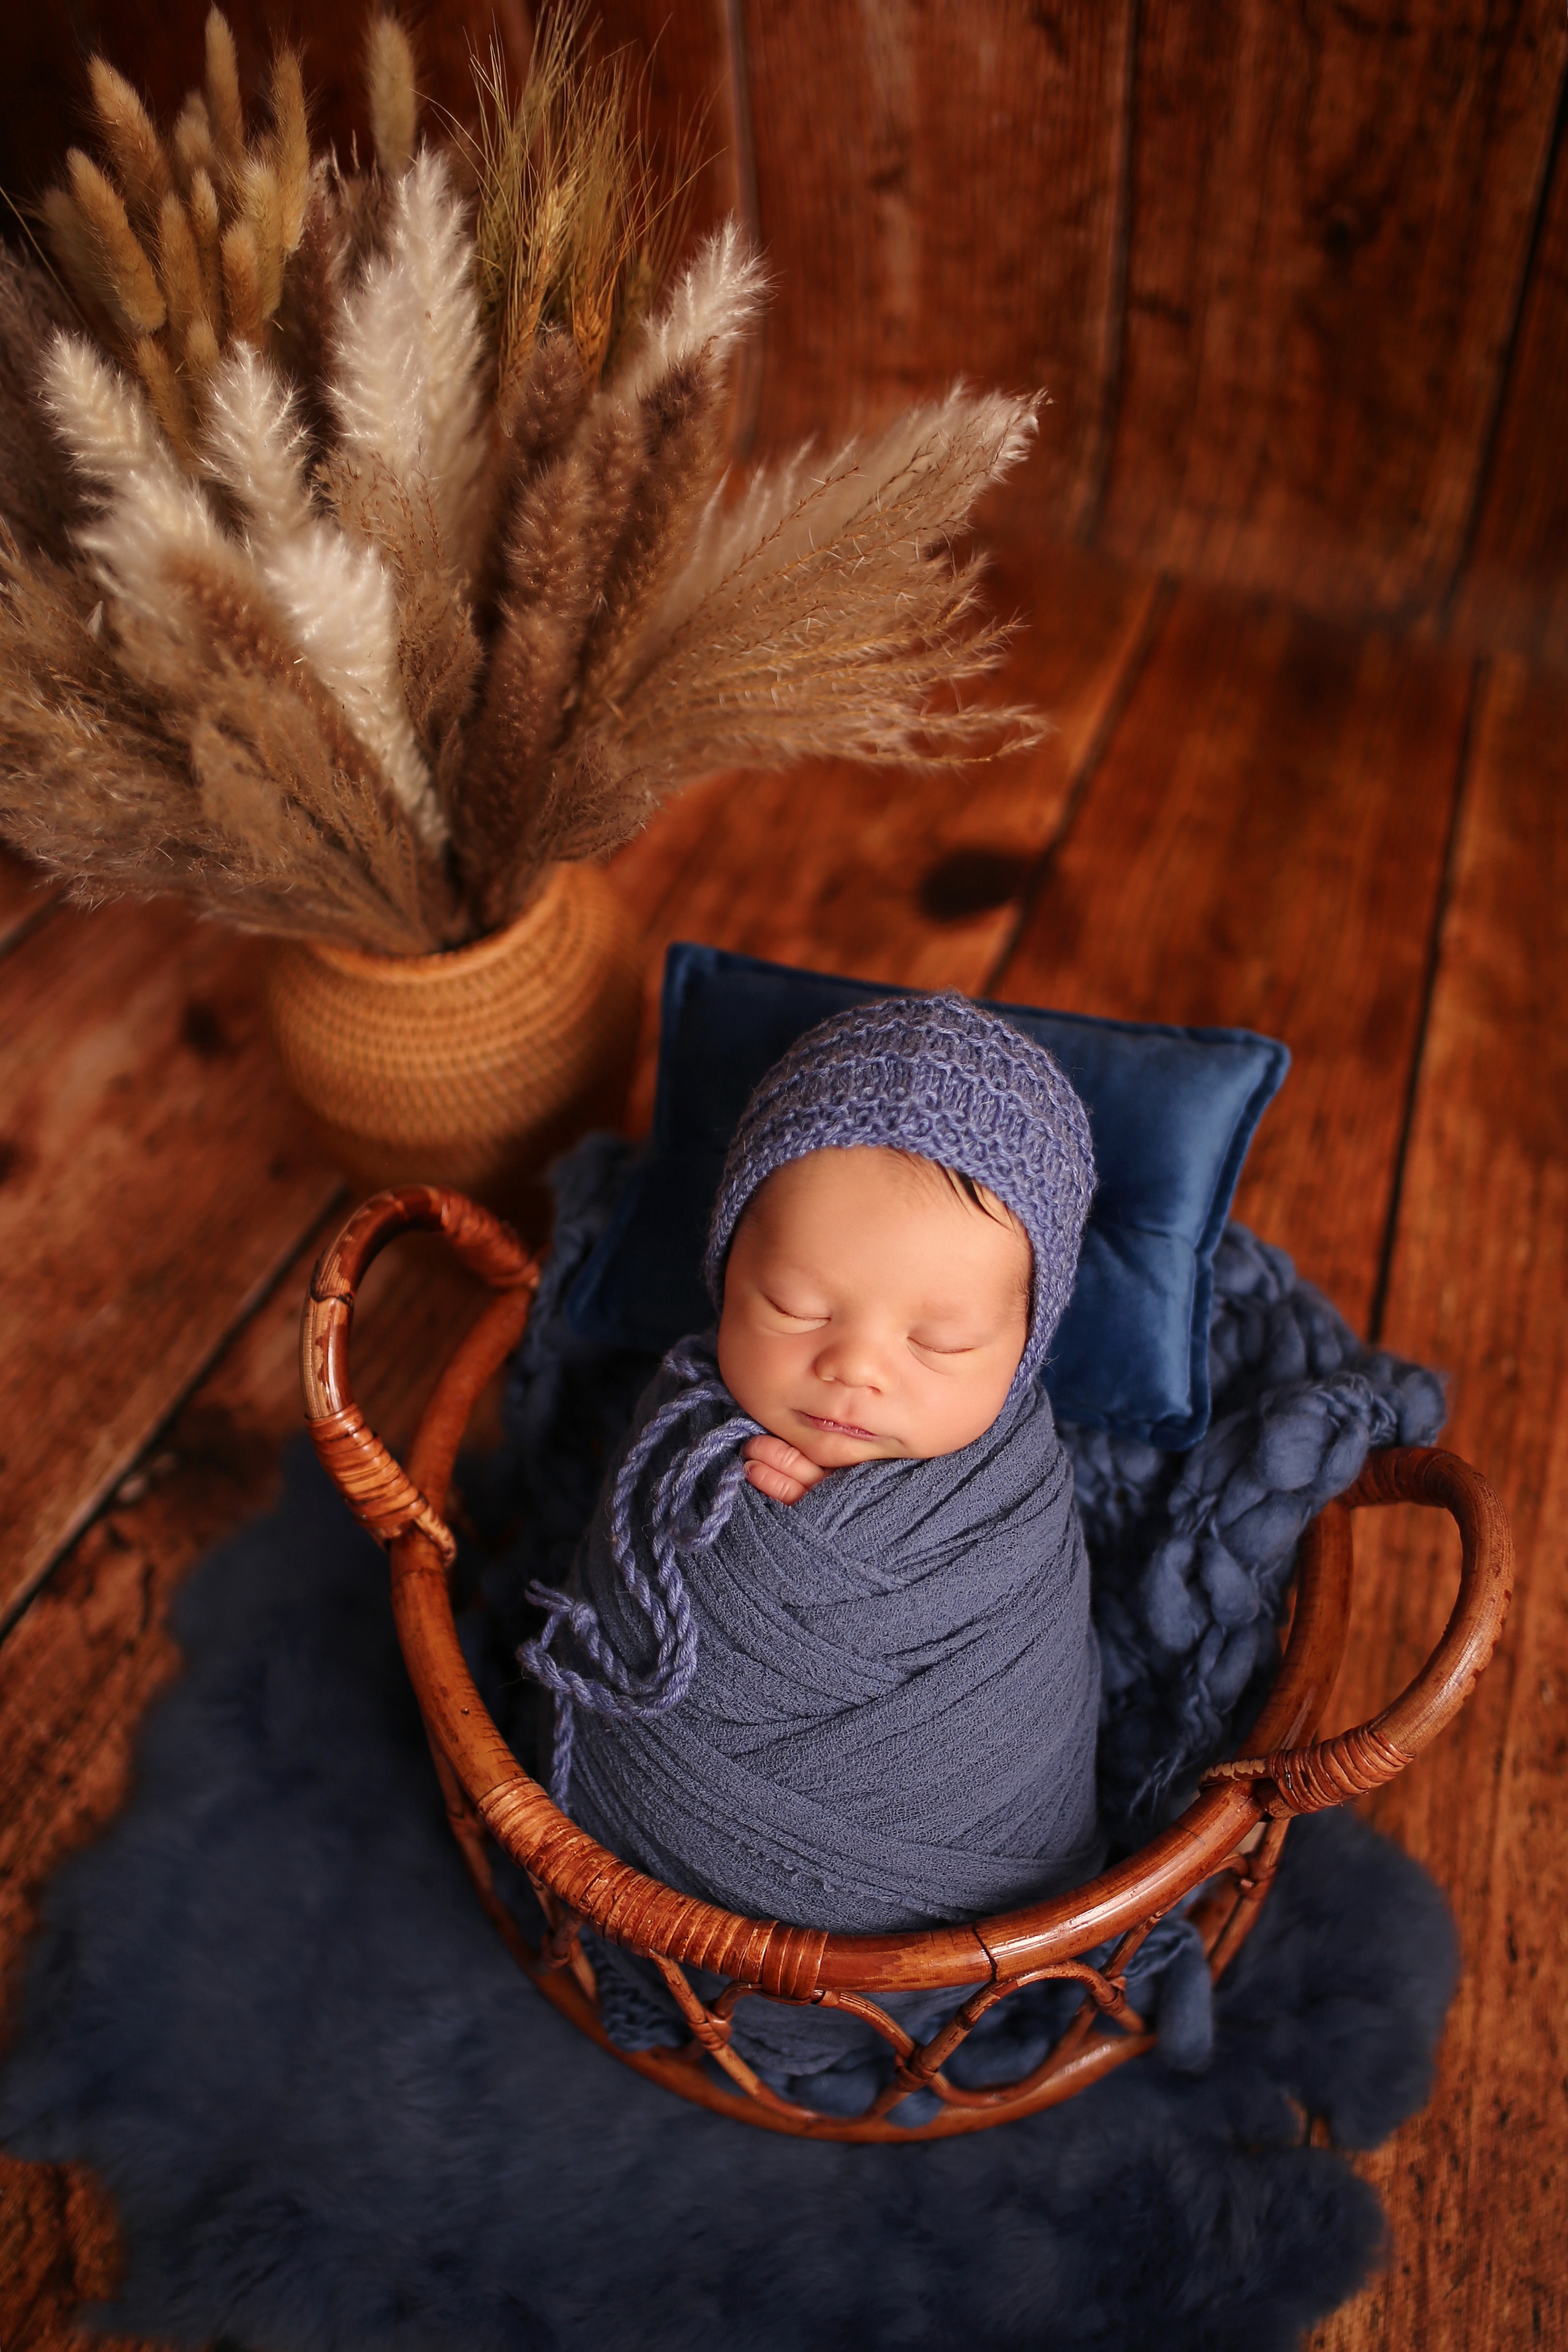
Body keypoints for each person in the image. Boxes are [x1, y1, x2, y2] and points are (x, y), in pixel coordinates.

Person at [518, 990, 1103, 2085]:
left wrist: (858, 1525)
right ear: (726, 1268)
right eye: (793, 1306)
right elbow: (618, 1605)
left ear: (1025, 1347)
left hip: (960, 1927)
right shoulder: (681, 1426)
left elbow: (1037, 1669)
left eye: (942, 1342)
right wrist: (746, 1538)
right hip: (655, 1890)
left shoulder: (1019, 1491)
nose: (856, 1369)